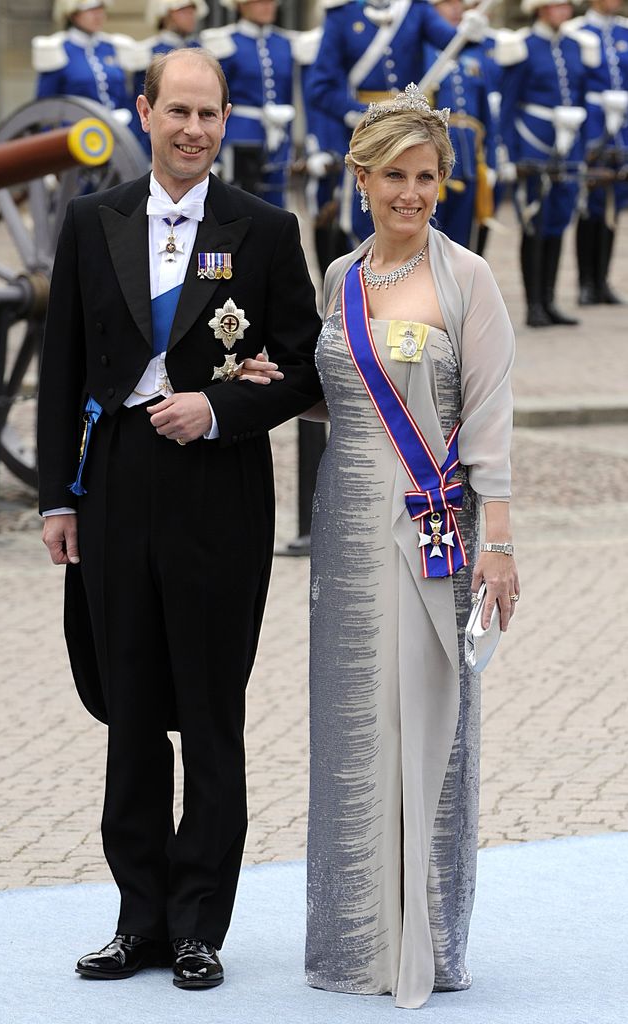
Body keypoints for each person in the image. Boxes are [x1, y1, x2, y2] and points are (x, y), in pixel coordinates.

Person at [37, 47, 322, 991]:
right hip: (115, 483)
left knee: (208, 712)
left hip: (218, 492)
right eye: (177, 112)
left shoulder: (265, 229)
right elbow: (63, 366)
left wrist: (218, 409)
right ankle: (138, 921)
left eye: (210, 115)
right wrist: (55, 496)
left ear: (227, 121)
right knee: (128, 713)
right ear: (144, 111)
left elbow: (304, 368)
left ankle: (199, 925)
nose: (193, 130)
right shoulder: (92, 221)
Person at [303, 84, 519, 1009]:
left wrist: (498, 545)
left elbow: (490, 415)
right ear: (360, 180)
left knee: (429, 723)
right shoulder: (340, 279)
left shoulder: (467, 276)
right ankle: (358, 943)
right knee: (356, 727)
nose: (412, 192)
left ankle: (422, 944)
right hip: (347, 529)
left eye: (426, 176)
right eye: (394, 175)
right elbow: (343, 400)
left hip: (437, 530)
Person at [306, 0, 488, 244]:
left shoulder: (414, 9)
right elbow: (319, 88)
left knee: (413, 211)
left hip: (410, 129)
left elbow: (452, 42)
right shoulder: (342, 14)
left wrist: (470, 33)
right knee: (366, 220)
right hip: (369, 130)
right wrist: (361, 113)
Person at [496, 0, 598, 327]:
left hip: (568, 146)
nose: (564, 12)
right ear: (541, 9)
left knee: (558, 220)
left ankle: (550, 300)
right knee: (534, 222)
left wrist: (582, 149)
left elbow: (581, 99)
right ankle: (533, 304)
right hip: (533, 143)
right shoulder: (522, 46)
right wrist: (508, 154)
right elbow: (509, 104)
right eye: (558, 6)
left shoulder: (575, 46)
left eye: (567, 7)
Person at [202, 0, 303, 208]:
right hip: (240, 134)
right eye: (259, 2)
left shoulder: (285, 43)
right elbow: (215, 99)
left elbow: (291, 96)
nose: (268, 6)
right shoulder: (226, 42)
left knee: (276, 205)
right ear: (241, 6)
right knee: (240, 202)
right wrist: (215, 153)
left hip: (278, 136)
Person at [567, 0, 627, 305]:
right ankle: (586, 282)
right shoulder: (576, 32)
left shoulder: (624, 31)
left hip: (622, 129)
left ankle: (602, 280)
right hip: (591, 125)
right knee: (589, 205)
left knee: (613, 206)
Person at [424, 0, 497, 250]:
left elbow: (485, 115)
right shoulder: (421, 50)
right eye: (447, 3)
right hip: (432, 156)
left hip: (468, 159)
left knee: (462, 243)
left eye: (458, 3)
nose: (456, 8)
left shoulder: (472, 51)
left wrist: (492, 161)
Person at [32, 0, 138, 130]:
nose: (98, 15)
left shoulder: (112, 46)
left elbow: (125, 99)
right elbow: (46, 106)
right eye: (91, 10)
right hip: (74, 135)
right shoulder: (56, 48)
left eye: (101, 9)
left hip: (117, 133)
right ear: (73, 15)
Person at [134, 0, 206, 159]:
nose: (191, 16)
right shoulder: (148, 52)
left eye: (192, 11)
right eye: (183, 11)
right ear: (166, 15)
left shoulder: (203, 49)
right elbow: (142, 106)